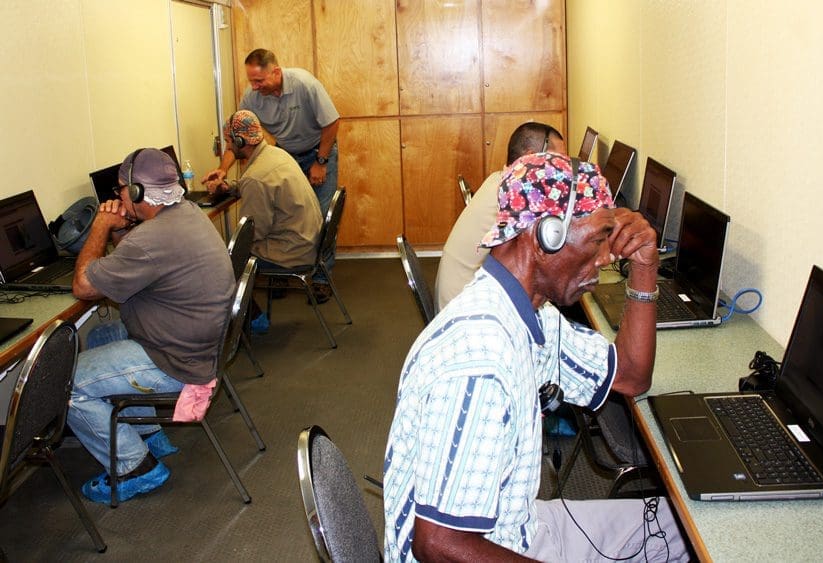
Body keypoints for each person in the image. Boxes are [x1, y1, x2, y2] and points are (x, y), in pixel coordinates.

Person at [382, 152, 688, 561]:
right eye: (598, 240)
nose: (603, 261)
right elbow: (440, 545)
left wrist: (645, 268)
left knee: (678, 527)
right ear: (546, 236)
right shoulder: (480, 363)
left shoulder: (529, 308)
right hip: (480, 548)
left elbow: (630, 376)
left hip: (515, 526)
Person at [68, 148, 235, 504]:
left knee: (64, 385)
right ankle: (148, 433)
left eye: (120, 191)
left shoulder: (152, 239)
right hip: (198, 346)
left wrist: (100, 226)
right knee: (100, 335)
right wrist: (121, 230)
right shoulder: (186, 213)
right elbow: (139, 257)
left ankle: (134, 467)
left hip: (175, 361)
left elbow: (82, 286)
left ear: (139, 193)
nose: (117, 197)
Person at [202, 48, 339, 304]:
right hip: (286, 153)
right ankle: (282, 273)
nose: (254, 87)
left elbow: (331, 123)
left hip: (318, 148)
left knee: (318, 215)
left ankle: (319, 279)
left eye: (259, 81)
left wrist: (320, 162)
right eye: (251, 81)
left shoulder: (304, 84)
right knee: (287, 210)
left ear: (276, 72)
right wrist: (224, 169)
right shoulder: (253, 99)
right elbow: (238, 131)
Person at [207, 109, 324, 333]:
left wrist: (222, 253)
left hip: (291, 252)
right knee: (223, 257)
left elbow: (252, 235)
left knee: (217, 266)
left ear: (241, 141)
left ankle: (253, 320)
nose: (228, 147)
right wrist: (230, 187)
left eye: (229, 141)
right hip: (307, 240)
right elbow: (258, 185)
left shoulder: (256, 177)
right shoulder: (275, 155)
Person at [434, 122, 565, 311]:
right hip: (465, 310)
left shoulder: (500, 179)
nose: (562, 171)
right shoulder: (515, 195)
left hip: (459, 295)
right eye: (557, 161)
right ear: (530, 158)